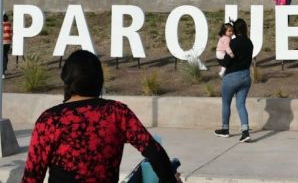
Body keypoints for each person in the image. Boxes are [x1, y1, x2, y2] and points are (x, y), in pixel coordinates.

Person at [22, 49, 180, 183]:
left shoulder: (50, 120)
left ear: (66, 79)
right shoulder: (117, 112)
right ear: (99, 80)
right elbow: (155, 152)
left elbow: (32, 177)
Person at [214, 18, 253, 142]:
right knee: (241, 104)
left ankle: (225, 129)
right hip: (246, 76)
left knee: (226, 102)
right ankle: (245, 131)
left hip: (232, 76)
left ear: (235, 30)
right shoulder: (249, 43)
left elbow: (226, 60)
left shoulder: (233, 43)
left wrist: (220, 61)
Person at [2, 13, 12, 78]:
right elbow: (11, 33)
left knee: (2, 56)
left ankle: (2, 73)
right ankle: (4, 70)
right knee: (5, 55)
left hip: (2, 42)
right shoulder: (9, 24)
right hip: (8, 42)